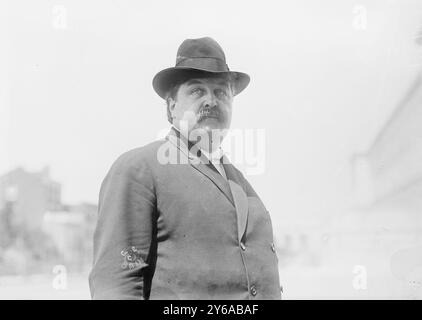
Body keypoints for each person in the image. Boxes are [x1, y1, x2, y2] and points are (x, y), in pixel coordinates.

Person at [89, 37, 282, 299]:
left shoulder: (239, 183)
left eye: (221, 92)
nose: (211, 101)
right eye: (197, 91)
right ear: (171, 108)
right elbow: (115, 284)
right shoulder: (140, 168)